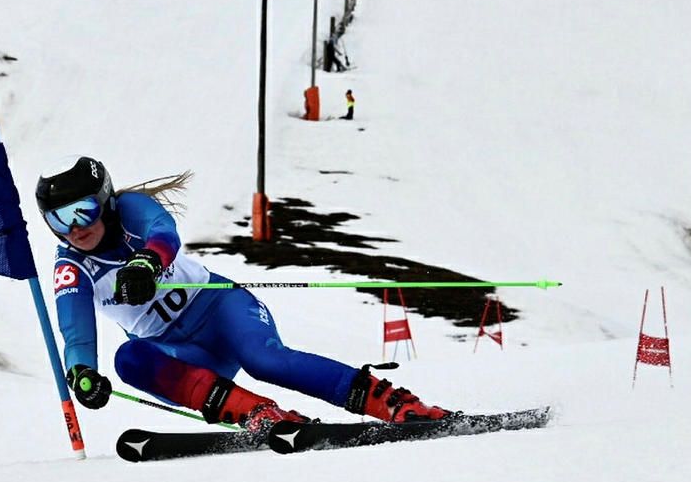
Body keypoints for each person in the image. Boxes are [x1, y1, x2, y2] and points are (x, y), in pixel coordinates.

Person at [35, 157, 450, 438]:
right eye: (58, 219)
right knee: (129, 360)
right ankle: (260, 415)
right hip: (184, 355)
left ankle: (394, 404)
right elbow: (77, 335)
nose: (73, 228)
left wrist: (147, 262)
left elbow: (164, 233)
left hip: (220, 311)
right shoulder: (71, 267)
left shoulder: (130, 209)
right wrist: (82, 373)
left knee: (265, 361)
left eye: (82, 211)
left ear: (105, 202)